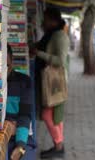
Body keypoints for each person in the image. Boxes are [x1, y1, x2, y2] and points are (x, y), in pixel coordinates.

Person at [30, 8, 69, 159]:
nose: (42, 22)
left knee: (48, 114)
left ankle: (59, 146)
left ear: (53, 20)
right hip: (49, 82)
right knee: (55, 116)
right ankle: (58, 145)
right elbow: (40, 44)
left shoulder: (60, 36)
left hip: (55, 83)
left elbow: (60, 60)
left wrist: (38, 53)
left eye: (45, 19)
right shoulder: (51, 34)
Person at [6, 45, 32, 160]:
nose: (4, 71)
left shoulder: (24, 82)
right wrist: (7, 126)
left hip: (17, 137)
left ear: (12, 61)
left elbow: (25, 115)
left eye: (7, 65)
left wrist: (20, 146)